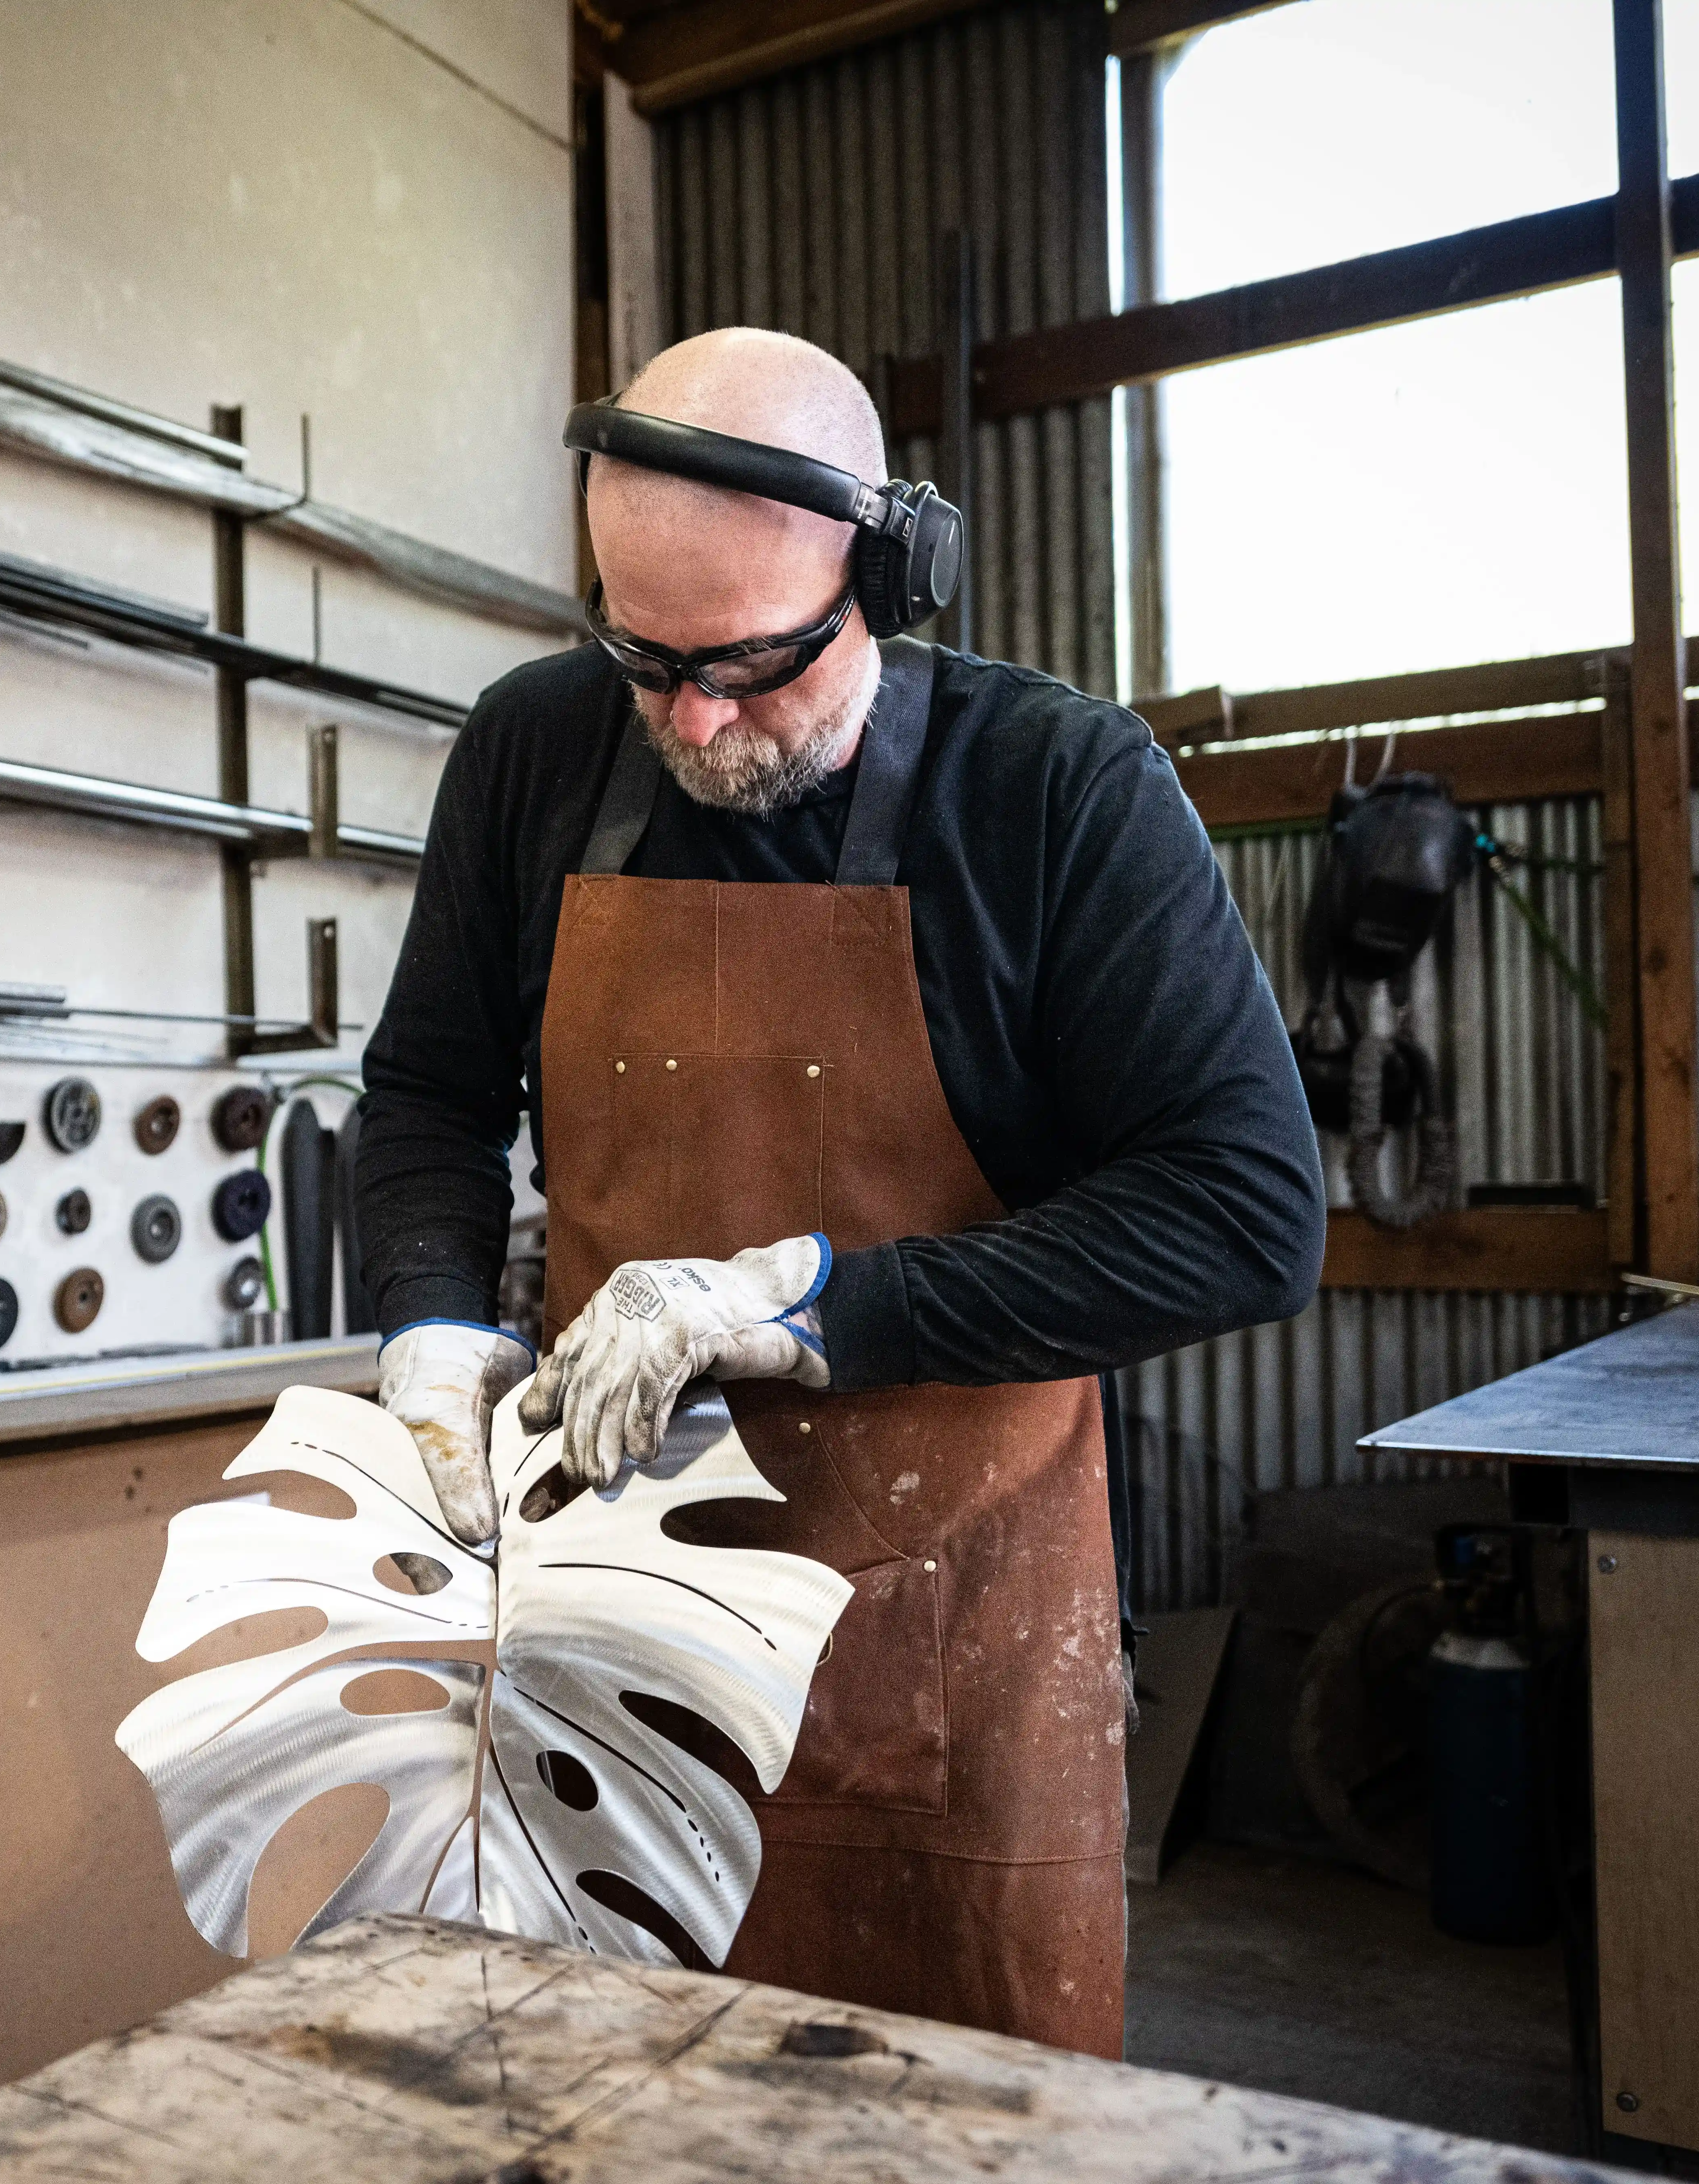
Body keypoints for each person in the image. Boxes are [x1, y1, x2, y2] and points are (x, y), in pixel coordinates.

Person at [352, 327, 1320, 2055]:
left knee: (961, 2126)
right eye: (644, 659)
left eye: (752, 663)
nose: (697, 722)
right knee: (614, 2110)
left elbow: (1245, 1209)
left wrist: (806, 1307)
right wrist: (430, 1320)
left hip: (947, 1636)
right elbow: (429, 1090)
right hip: (622, 1633)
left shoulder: (1057, 788)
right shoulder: (535, 751)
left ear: (884, 572)